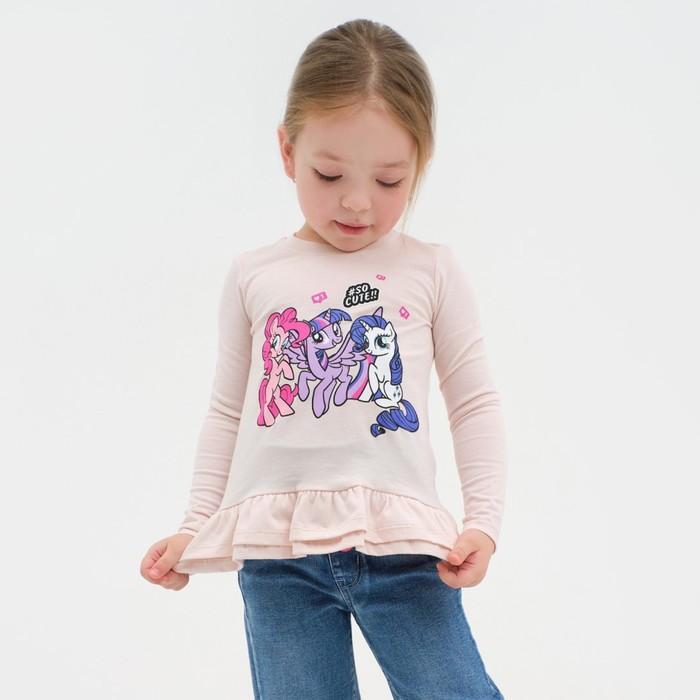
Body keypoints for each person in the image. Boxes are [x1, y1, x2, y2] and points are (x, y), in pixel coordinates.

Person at [140, 18, 507, 700]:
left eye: (391, 180)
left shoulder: (430, 269)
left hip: (405, 550)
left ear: (420, 165)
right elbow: (226, 411)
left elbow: (475, 402)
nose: (358, 201)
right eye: (329, 173)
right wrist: (195, 525)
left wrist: (483, 522)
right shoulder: (254, 275)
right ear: (287, 150)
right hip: (279, 560)